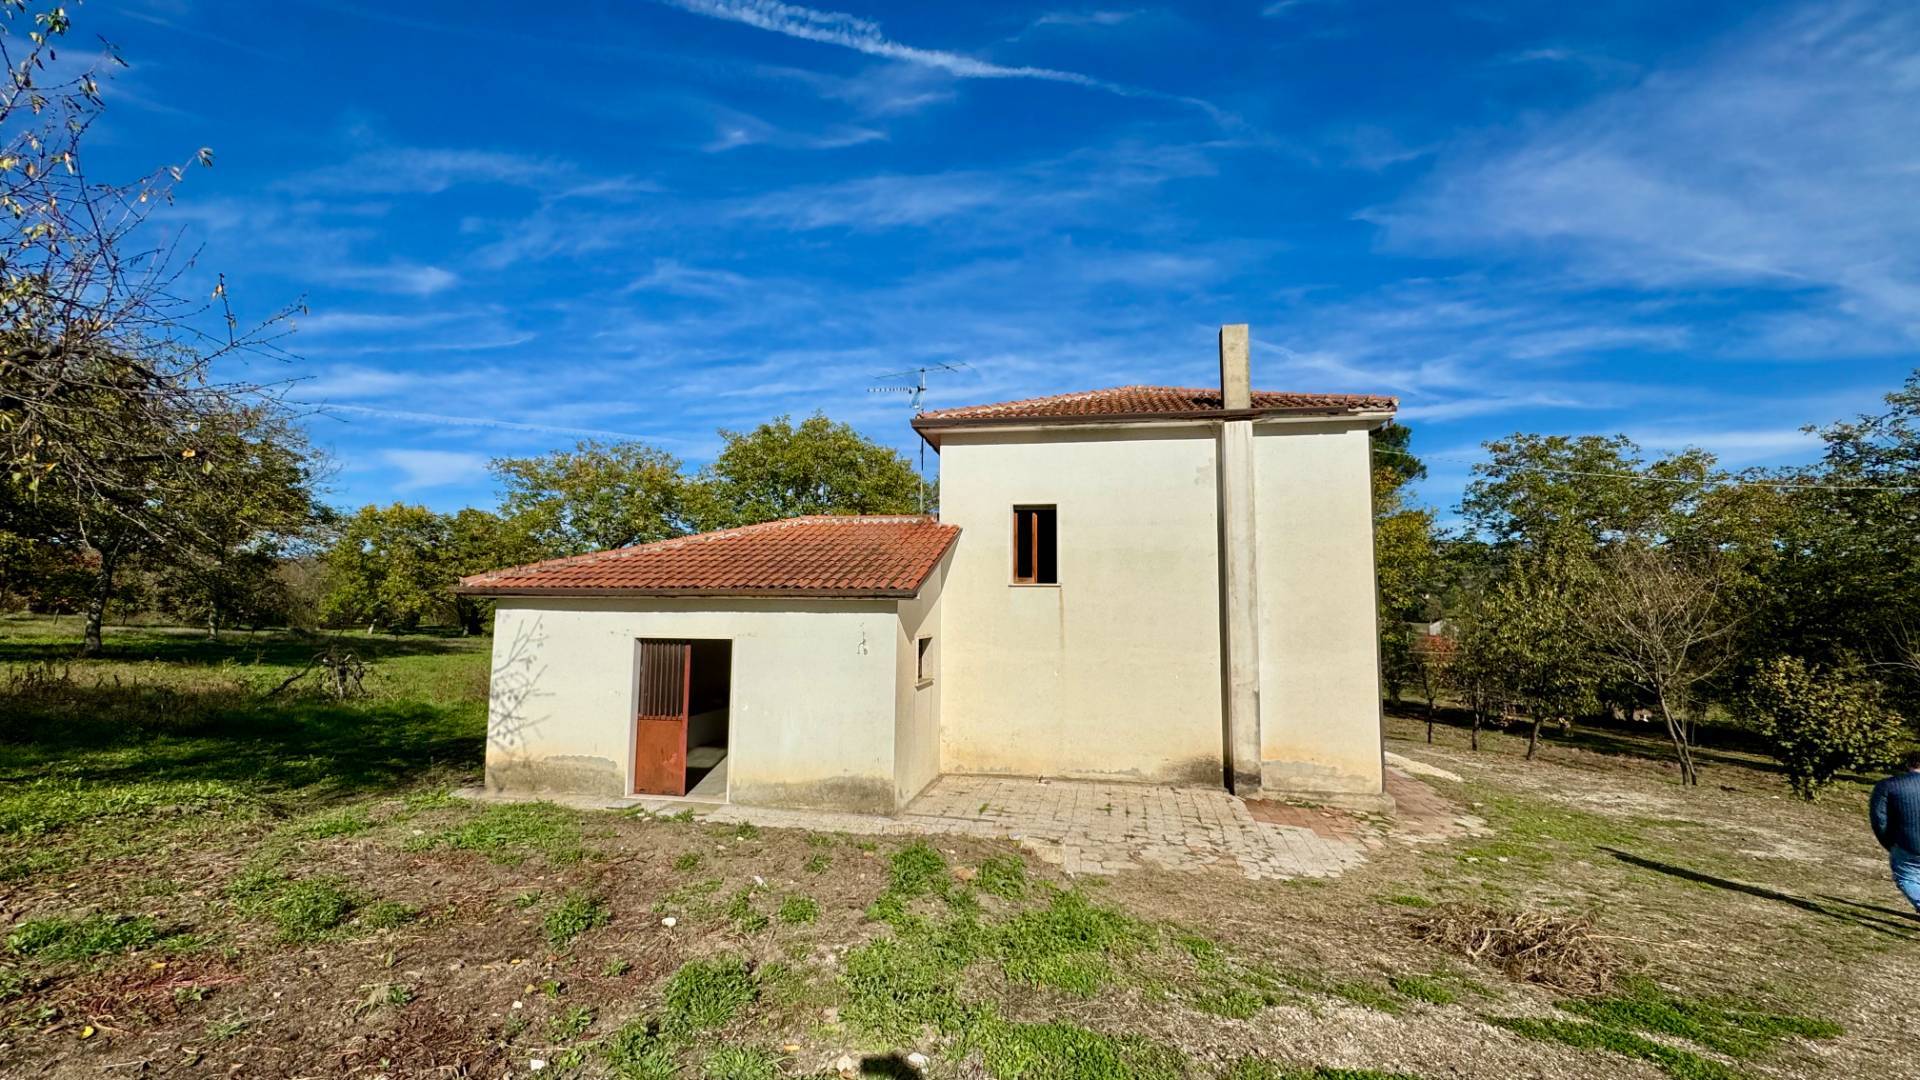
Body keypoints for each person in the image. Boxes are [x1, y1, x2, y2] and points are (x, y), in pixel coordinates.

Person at [1869, 750, 1920, 912]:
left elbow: (1879, 819)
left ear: (1908, 764)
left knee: (1907, 878)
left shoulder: (1888, 785)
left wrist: (1889, 843)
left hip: (1908, 843)